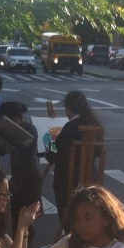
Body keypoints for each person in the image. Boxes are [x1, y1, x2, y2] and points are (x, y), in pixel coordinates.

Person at [45, 90, 104, 223]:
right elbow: (99, 152)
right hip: (91, 178)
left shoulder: (70, 127)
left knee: (69, 217)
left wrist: (49, 151)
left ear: (69, 109)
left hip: (68, 181)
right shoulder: (94, 124)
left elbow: (55, 153)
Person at [0, 101, 43, 248]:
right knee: (16, 215)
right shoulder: (14, 131)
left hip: (30, 178)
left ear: (14, 117)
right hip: (19, 178)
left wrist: (4, 136)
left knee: (29, 216)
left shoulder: (28, 128)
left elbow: (23, 143)